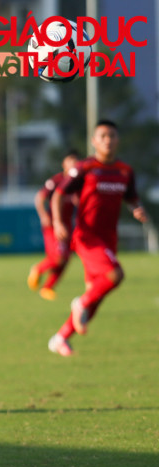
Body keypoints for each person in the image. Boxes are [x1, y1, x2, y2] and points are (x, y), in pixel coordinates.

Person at [48, 120, 147, 357]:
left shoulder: (125, 171)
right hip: (87, 237)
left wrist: (137, 209)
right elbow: (59, 194)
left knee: (96, 297)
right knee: (115, 275)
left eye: (112, 135)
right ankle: (79, 303)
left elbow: (132, 197)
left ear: (117, 140)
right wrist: (58, 221)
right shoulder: (85, 168)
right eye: (102, 136)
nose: (108, 140)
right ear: (94, 141)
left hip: (109, 238)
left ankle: (60, 338)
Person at [27, 149, 80, 301]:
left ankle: (48, 287)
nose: (73, 165)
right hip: (53, 225)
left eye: (76, 162)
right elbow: (39, 197)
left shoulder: (77, 183)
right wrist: (43, 215)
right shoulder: (57, 181)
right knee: (58, 257)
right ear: (64, 164)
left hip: (68, 224)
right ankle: (38, 269)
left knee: (66, 258)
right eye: (70, 161)